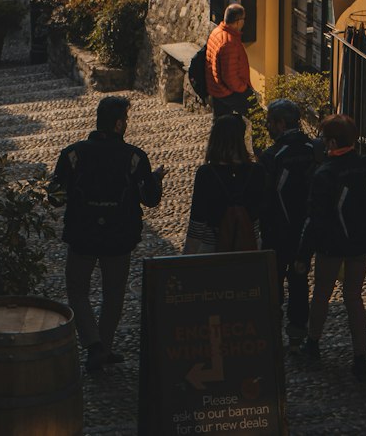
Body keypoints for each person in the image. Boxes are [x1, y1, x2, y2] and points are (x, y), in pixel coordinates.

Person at [50, 96, 164, 373]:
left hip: (82, 233)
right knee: (114, 293)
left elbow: (55, 197)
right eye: (126, 119)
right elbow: (149, 198)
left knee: (77, 290)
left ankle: (94, 345)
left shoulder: (72, 154)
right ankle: (104, 347)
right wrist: (156, 181)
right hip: (119, 235)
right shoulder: (134, 157)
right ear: (118, 124)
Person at [295, 113, 366, 383]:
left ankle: (313, 343)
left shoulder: (324, 173)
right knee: (353, 296)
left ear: (330, 142)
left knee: (322, 292)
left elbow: (314, 219)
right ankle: (360, 359)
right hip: (363, 243)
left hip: (332, 244)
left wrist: (302, 256)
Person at [259, 98, 319, 343]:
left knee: (272, 286)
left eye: (269, 123)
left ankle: (271, 334)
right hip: (306, 232)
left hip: (276, 232)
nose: (267, 127)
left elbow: (263, 200)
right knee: (299, 282)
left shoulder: (272, 156)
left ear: (281, 124)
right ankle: (297, 336)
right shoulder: (314, 149)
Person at [183, 113, 267, 254]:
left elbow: (198, 221)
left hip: (212, 248)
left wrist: (187, 257)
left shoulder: (206, 173)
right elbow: (262, 213)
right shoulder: (257, 171)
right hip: (249, 246)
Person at [205, 2, 255, 118]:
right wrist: (244, 88)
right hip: (227, 91)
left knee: (221, 121)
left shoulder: (217, 32)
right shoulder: (229, 42)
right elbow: (230, 77)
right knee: (257, 116)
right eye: (243, 19)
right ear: (238, 21)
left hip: (216, 88)